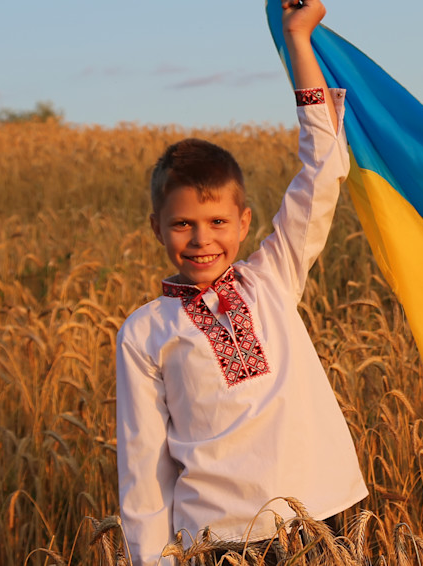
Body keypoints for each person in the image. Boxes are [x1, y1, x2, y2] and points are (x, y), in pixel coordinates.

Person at [114, 2, 366, 564]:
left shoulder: (272, 278)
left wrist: (298, 39)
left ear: (245, 222)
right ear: (156, 227)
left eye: (217, 223)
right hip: (224, 538)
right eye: (182, 224)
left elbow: (324, 166)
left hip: (324, 516)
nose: (201, 239)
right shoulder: (145, 333)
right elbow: (143, 462)